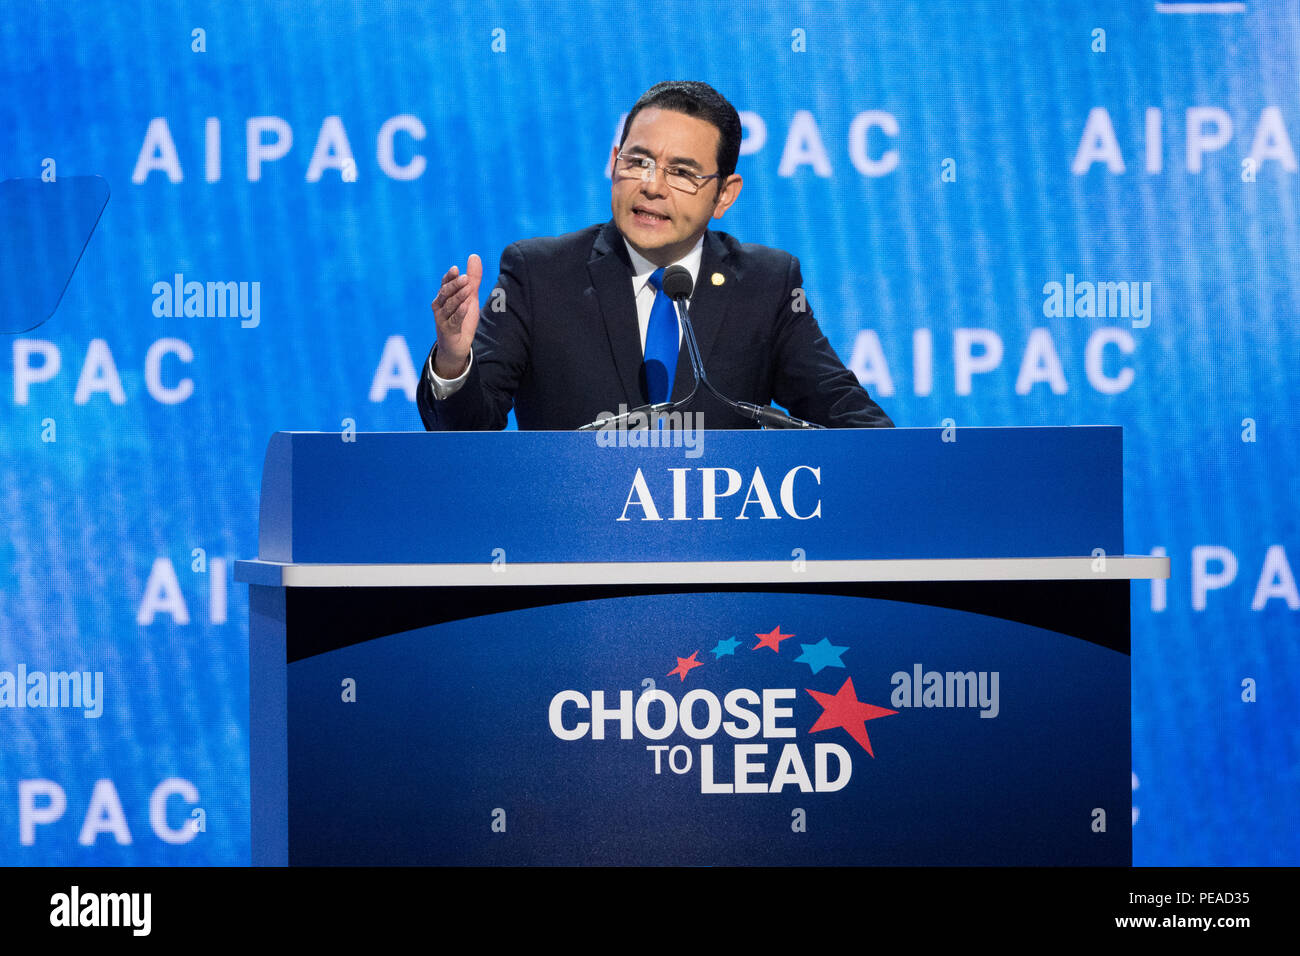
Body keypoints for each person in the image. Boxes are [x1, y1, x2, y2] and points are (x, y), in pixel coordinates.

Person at [418, 80, 893, 431]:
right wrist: (455, 363)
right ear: (613, 161)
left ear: (724, 196)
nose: (651, 185)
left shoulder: (765, 285)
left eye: (682, 172)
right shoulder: (539, 274)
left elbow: (855, 424)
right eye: (638, 160)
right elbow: (465, 436)